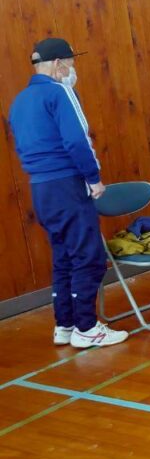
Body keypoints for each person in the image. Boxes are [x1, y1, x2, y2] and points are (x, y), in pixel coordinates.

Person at [8, 38, 128, 349]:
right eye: (71, 63)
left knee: (64, 256)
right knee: (89, 256)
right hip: (67, 185)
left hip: (41, 188)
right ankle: (87, 328)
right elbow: (77, 141)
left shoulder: (19, 100)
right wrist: (94, 178)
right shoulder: (60, 92)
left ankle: (65, 325)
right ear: (59, 63)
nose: (73, 69)